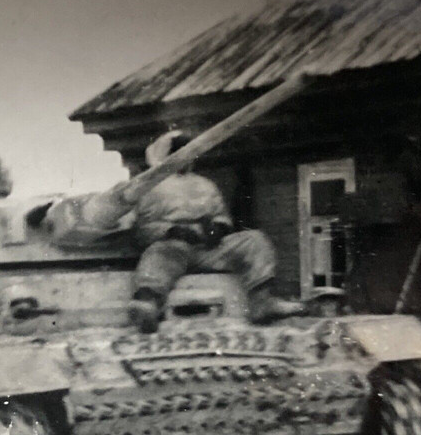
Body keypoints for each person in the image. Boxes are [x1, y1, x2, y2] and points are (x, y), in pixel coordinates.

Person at [128, 130, 305, 332]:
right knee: (157, 256)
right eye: (179, 153)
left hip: (208, 249)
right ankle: (147, 304)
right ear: (167, 155)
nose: (185, 157)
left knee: (254, 239)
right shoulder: (150, 186)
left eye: (189, 152)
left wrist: (218, 228)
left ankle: (262, 301)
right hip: (172, 248)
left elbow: (222, 216)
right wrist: (173, 230)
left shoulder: (206, 185)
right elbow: (142, 230)